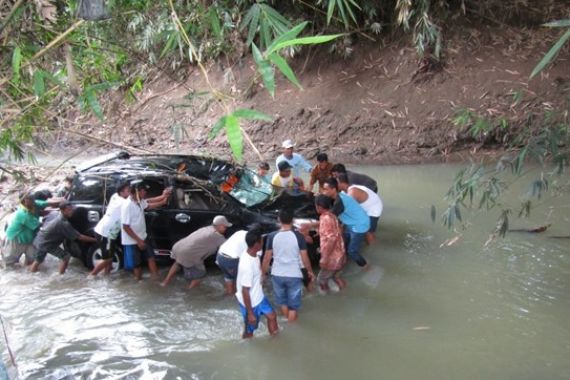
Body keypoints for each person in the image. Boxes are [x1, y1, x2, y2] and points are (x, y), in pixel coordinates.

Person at [261, 209, 315, 322]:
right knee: (293, 306)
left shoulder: (271, 236)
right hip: (294, 274)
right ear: (292, 220)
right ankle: (292, 327)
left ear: (279, 220)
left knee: (282, 302)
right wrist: (310, 271)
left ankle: (288, 322)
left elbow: (267, 258)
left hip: (277, 274)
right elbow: (304, 257)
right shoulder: (299, 236)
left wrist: (263, 274)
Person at [161, 215, 230, 288]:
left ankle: (165, 282)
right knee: (200, 275)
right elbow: (229, 248)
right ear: (219, 226)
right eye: (225, 227)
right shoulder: (217, 236)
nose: (226, 229)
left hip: (178, 247)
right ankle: (189, 292)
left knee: (178, 263)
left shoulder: (206, 228)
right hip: (188, 254)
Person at [121, 180, 171, 281]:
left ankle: (156, 280)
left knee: (151, 258)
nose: (145, 193)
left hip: (143, 236)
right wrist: (138, 241)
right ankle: (138, 282)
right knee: (137, 264)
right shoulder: (127, 206)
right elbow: (125, 227)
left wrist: (163, 200)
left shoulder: (139, 201)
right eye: (143, 191)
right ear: (137, 191)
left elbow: (148, 205)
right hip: (133, 241)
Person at [29, 201, 97, 274]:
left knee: (38, 260)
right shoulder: (63, 223)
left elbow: (45, 220)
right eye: (69, 210)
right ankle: (60, 276)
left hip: (40, 238)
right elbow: (79, 237)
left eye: (72, 209)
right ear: (62, 210)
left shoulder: (56, 214)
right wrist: (96, 240)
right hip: (46, 243)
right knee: (65, 257)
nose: (72, 212)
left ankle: (30, 274)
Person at [236, 230, 278, 339]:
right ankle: (246, 346)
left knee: (272, 316)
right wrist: (250, 313)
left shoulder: (253, 252)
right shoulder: (247, 266)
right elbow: (245, 290)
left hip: (259, 297)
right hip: (250, 303)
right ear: (256, 245)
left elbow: (258, 261)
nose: (263, 243)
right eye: (261, 242)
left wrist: (261, 275)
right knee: (250, 331)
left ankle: (276, 341)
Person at [322, 178, 370, 269]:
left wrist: (310, 225)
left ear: (333, 189)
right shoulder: (338, 197)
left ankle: (366, 267)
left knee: (352, 251)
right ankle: (344, 263)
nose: (323, 192)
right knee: (343, 241)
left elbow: (328, 219)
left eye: (325, 189)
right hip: (352, 222)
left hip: (359, 225)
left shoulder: (339, 202)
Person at [89, 182, 131, 277]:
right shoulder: (123, 203)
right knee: (108, 259)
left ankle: (106, 277)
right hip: (106, 233)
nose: (130, 192)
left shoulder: (115, 196)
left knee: (109, 258)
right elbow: (138, 201)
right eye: (128, 191)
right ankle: (91, 275)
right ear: (121, 192)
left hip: (102, 230)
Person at [337, 173, 383, 244]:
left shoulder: (352, 192)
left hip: (373, 209)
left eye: (336, 183)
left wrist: (341, 225)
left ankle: (372, 247)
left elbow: (348, 210)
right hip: (365, 206)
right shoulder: (344, 191)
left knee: (368, 231)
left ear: (341, 183)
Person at [216, 224, 262, 295]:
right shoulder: (256, 242)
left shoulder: (240, 232)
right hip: (231, 260)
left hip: (220, 256)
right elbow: (256, 261)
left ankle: (230, 295)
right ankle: (238, 300)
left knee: (228, 277)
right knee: (242, 283)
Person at [314, 195, 347, 293]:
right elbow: (338, 232)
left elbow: (331, 239)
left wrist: (325, 258)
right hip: (340, 253)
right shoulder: (332, 216)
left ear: (319, 207)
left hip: (332, 257)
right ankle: (345, 293)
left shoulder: (325, 219)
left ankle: (327, 296)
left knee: (321, 280)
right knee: (336, 276)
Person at [2, 193, 42, 267]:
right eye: (32, 200)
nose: (34, 202)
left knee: (33, 259)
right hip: (15, 239)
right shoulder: (22, 213)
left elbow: (44, 204)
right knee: (8, 264)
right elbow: (38, 225)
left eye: (33, 200)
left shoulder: (31, 207)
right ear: (25, 201)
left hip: (28, 239)